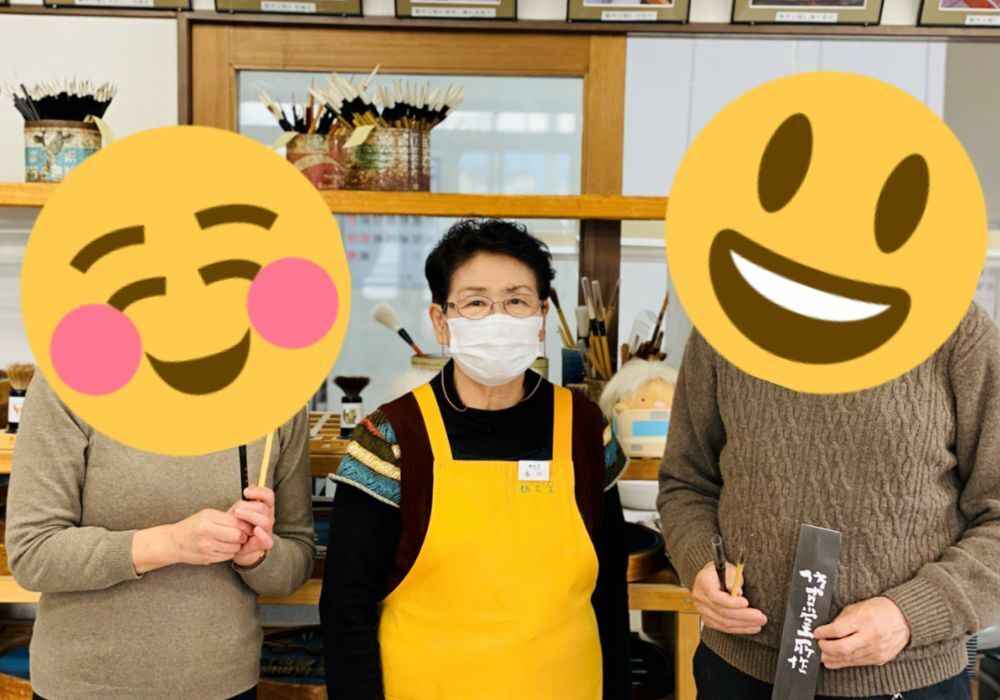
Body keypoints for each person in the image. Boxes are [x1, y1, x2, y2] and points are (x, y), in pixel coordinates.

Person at [320, 218, 631, 699]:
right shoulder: (392, 436)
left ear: (541, 317)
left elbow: (609, 592)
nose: (497, 317)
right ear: (441, 321)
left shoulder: (586, 429)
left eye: (516, 301)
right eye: (476, 302)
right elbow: (346, 606)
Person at [658, 303, 1000, 699]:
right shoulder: (725, 320)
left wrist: (910, 614)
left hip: (906, 677)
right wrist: (701, 560)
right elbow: (686, 483)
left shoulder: (958, 332)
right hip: (738, 670)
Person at [5, 374, 315, 700]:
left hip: (225, 683)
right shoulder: (68, 381)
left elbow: (297, 559)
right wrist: (172, 544)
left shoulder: (276, 396)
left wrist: (256, 556)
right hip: (86, 687)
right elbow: (33, 553)